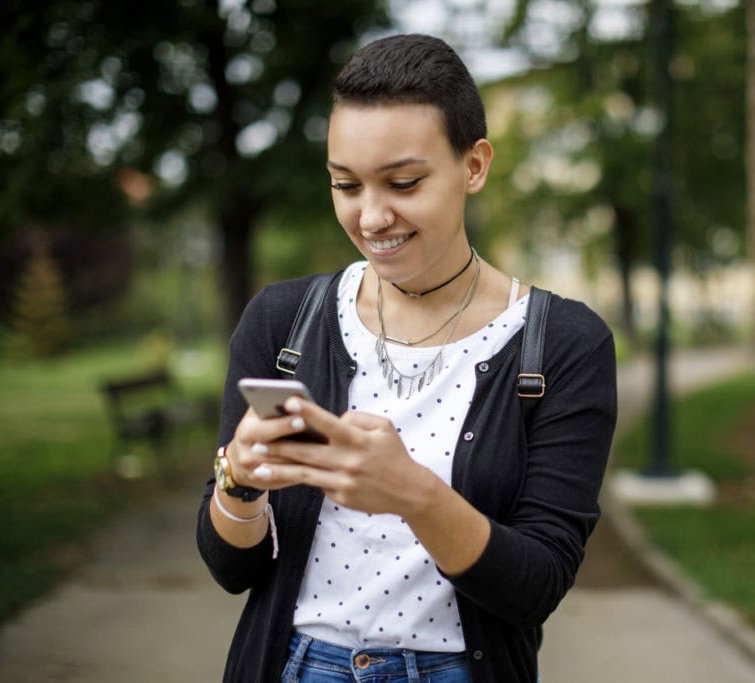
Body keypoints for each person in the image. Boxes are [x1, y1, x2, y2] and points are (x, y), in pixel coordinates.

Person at [197, 33, 617, 683]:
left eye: (403, 183)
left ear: (474, 165)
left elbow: (537, 586)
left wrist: (414, 494)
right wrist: (240, 482)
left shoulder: (565, 343)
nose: (371, 217)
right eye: (346, 185)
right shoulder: (282, 323)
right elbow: (232, 569)